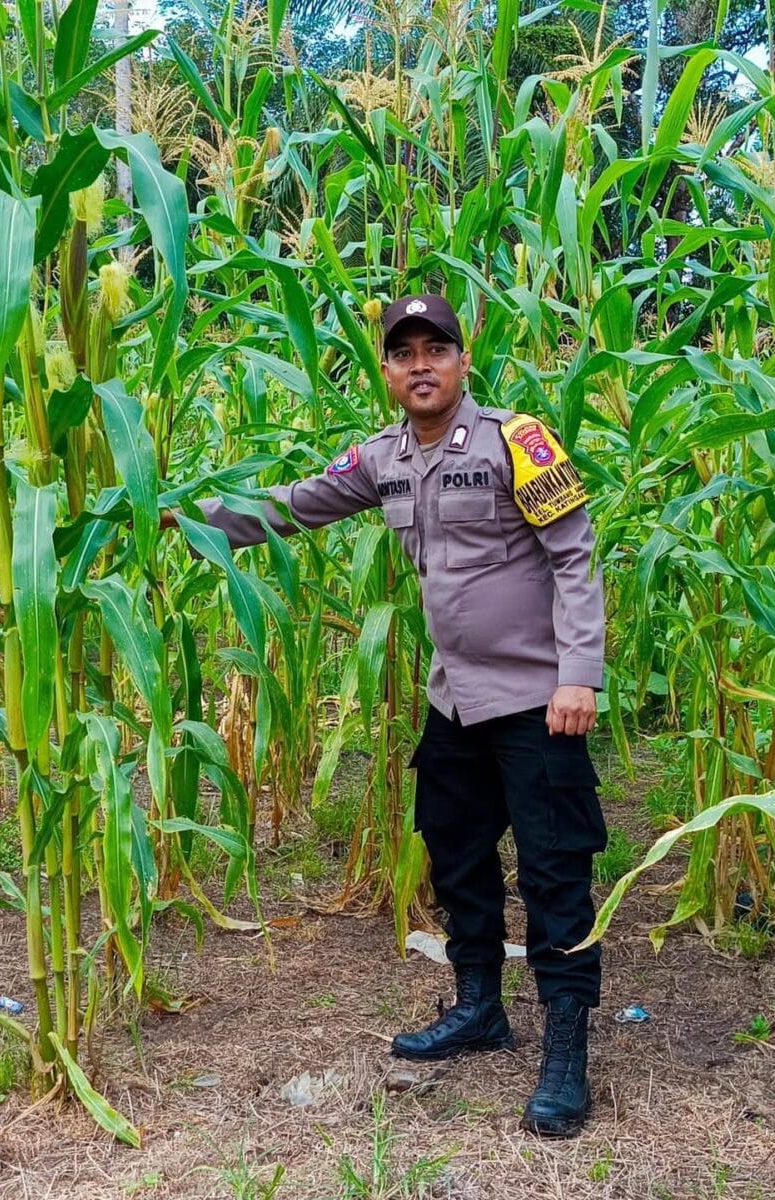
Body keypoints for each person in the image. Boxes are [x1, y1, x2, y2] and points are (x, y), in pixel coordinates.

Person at [162, 294, 607, 1137]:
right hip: (455, 700)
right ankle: (480, 1006)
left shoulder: (522, 440)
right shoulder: (382, 458)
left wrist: (579, 674)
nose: (421, 365)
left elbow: (575, 553)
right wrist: (191, 522)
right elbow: (293, 504)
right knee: (455, 856)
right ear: (388, 371)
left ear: (462, 357)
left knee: (555, 872)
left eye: (435, 347)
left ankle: (566, 1049)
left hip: (537, 700)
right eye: (403, 354)